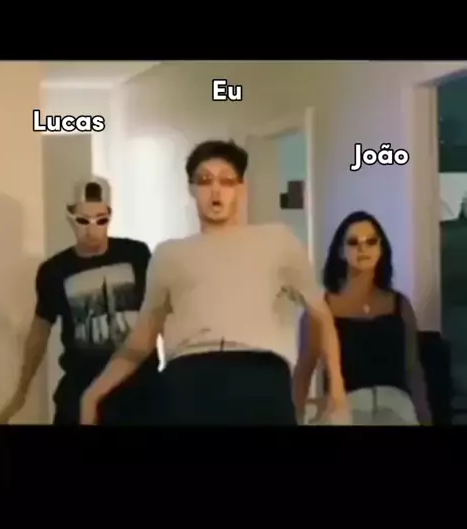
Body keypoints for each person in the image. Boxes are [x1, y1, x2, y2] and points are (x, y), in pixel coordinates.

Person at [79, 140, 347, 426]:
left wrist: (337, 387)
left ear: (241, 188)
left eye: (227, 181)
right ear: (191, 189)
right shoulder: (169, 254)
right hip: (189, 379)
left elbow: (320, 313)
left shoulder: (277, 240)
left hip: (259, 377)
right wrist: (92, 395)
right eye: (205, 181)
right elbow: (140, 341)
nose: (216, 191)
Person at [0, 178, 160, 425]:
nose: (92, 230)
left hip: (139, 389)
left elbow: (160, 311)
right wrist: (21, 391)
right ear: (70, 218)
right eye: (83, 220)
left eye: (101, 220)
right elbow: (40, 330)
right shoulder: (54, 270)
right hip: (80, 385)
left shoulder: (136, 254)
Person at [295, 211, 432, 426]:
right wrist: (296, 417)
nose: (363, 248)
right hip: (346, 409)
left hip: (396, 408)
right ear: (341, 251)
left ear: (381, 248)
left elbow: (413, 369)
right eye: (353, 242)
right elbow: (303, 371)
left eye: (371, 241)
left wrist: (425, 419)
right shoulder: (322, 309)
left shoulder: (399, 304)